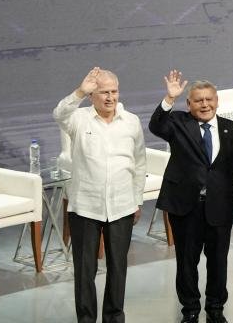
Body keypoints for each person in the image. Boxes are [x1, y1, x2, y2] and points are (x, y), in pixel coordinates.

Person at [149, 71, 233, 323]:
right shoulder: (178, 123)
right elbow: (156, 126)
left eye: (209, 99)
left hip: (220, 207)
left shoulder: (232, 129)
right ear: (189, 104)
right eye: (198, 100)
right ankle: (190, 310)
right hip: (185, 207)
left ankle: (215, 309)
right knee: (187, 262)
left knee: (218, 262)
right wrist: (169, 99)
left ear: (217, 101)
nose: (204, 104)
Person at [53, 67, 146, 323]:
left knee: (118, 268)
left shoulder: (131, 121)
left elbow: (139, 163)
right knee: (85, 270)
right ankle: (86, 319)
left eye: (114, 91)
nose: (110, 97)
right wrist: (79, 91)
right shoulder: (78, 119)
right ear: (92, 95)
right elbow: (59, 114)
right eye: (104, 92)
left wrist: (137, 200)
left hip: (122, 205)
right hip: (85, 206)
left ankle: (114, 318)